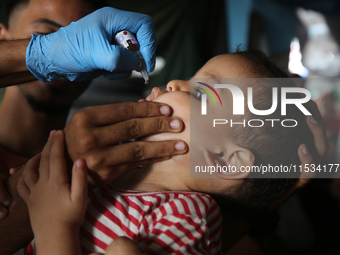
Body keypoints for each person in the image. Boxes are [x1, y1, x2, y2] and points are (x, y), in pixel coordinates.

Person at [17, 50, 327, 255]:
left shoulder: (186, 216)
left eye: (202, 93)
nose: (176, 82)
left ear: (224, 159)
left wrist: (53, 227)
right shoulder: (115, 171)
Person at [0, 1, 189, 254]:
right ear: (3, 38)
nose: (70, 54)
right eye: (47, 35)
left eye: (83, 42)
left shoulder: (117, 177)